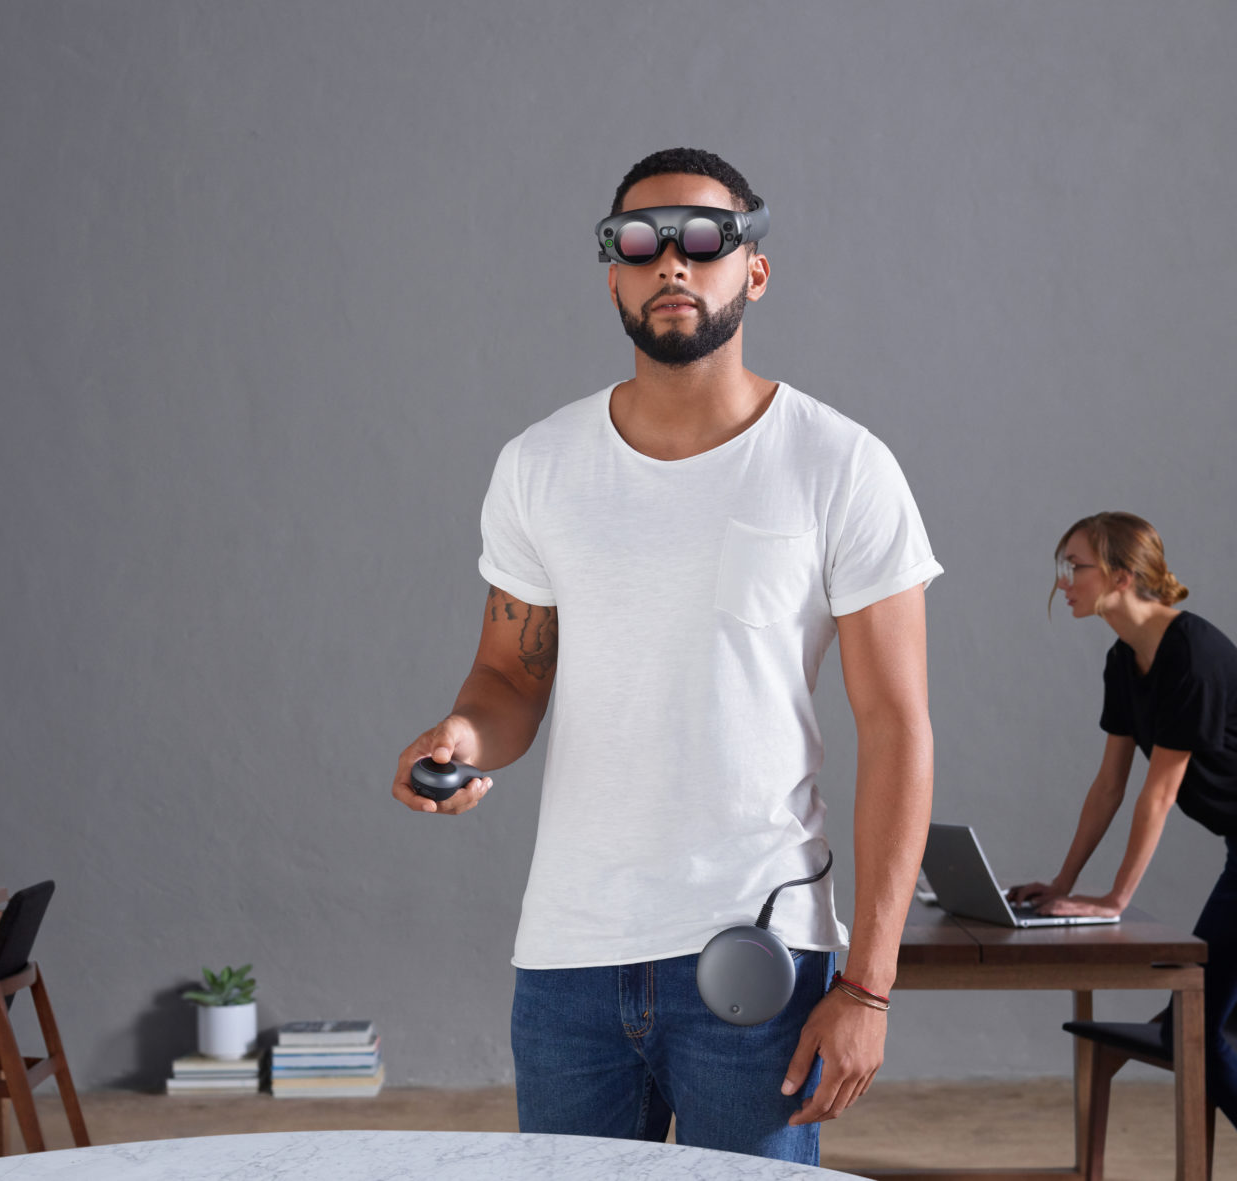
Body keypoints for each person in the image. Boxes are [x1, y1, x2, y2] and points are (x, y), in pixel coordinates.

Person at [388, 147, 941, 1161]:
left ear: (752, 269)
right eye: (639, 243)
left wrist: (867, 983)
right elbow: (510, 678)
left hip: (756, 954)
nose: (671, 264)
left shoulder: (838, 464)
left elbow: (895, 728)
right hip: (568, 961)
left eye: (703, 238)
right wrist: (464, 734)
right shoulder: (539, 465)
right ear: (612, 274)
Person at [1007, 511, 1237, 1181]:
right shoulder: (1124, 660)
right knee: (1185, 1030)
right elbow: (1110, 785)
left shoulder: (1189, 652)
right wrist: (1060, 883)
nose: (1063, 582)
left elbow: (1158, 793)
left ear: (1121, 575)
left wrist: (1113, 898)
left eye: (1074, 565)